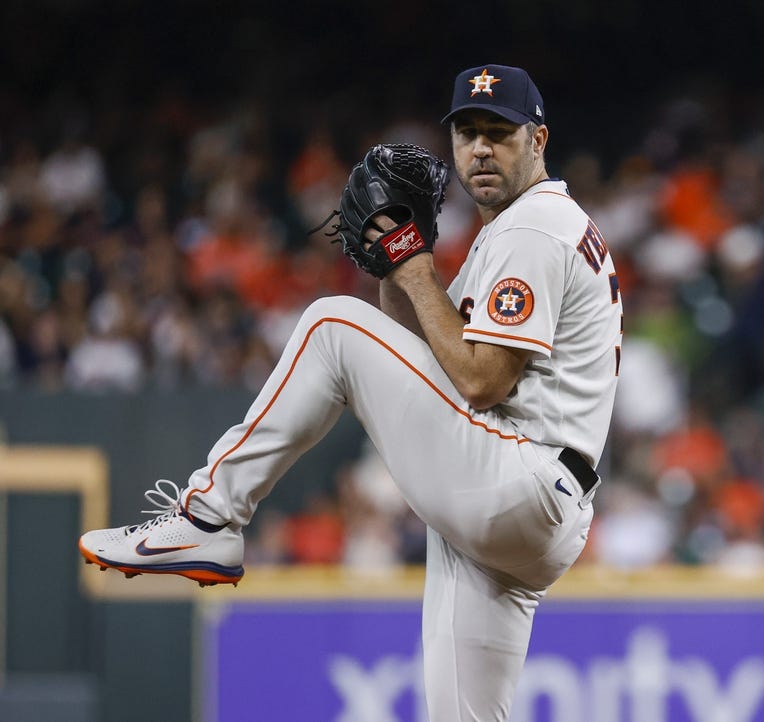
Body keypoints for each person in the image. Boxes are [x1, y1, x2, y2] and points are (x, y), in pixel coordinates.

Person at [78, 63, 622, 720]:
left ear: (538, 140)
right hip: (522, 500)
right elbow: (425, 362)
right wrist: (396, 265)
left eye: (499, 133)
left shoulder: (534, 226)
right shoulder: (516, 230)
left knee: (331, 324)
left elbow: (480, 381)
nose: (480, 149)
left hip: (519, 479)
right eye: (468, 133)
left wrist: (415, 262)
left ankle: (208, 519)